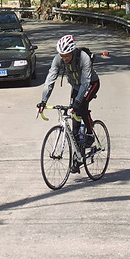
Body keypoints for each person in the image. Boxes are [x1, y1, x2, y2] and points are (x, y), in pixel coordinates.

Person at [37, 33, 99, 166]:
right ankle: (78, 157)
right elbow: (50, 80)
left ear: (72, 51)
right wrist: (43, 101)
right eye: (61, 55)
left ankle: (90, 133)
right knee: (74, 124)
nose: (63, 58)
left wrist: (77, 102)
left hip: (91, 83)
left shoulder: (83, 58)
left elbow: (85, 82)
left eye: (66, 55)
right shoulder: (58, 59)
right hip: (76, 86)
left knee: (81, 106)